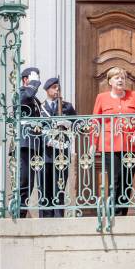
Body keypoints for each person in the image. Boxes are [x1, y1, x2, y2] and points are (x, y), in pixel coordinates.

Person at [92, 67, 135, 216]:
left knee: (127, 180)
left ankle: (123, 212)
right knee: (115, 179)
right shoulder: (102, 97)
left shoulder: (133, 96)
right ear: (110, 81)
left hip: (131, 145)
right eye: (117, 78)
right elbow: (95, 122)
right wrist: (92, 143)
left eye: (122, 77)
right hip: (110, 145)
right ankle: (112, 212)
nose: (121, 80)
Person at [40, 77, 76, 218]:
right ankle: (45, 219)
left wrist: (69, 124)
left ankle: (58, 217)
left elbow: (77, 124)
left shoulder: (67, 106)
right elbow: (36, 128)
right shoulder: (41, 107)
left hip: (62, 152)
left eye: (58, 87)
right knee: (45, 187)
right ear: (47, 90)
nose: (57, 90)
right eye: (54, 87)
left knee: (60, 186)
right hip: (44, 152)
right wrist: (47, 140)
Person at [18, 67, 43, 218]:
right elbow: (26, 96)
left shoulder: (35, 99)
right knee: (24, 181)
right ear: (26, 79)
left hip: (35, 145)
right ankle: (19, 213)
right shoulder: (21, 93)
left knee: (31, 182)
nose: (37, 81)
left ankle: (23, 211)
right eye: (34, 78)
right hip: (24, 144)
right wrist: (33, 82)